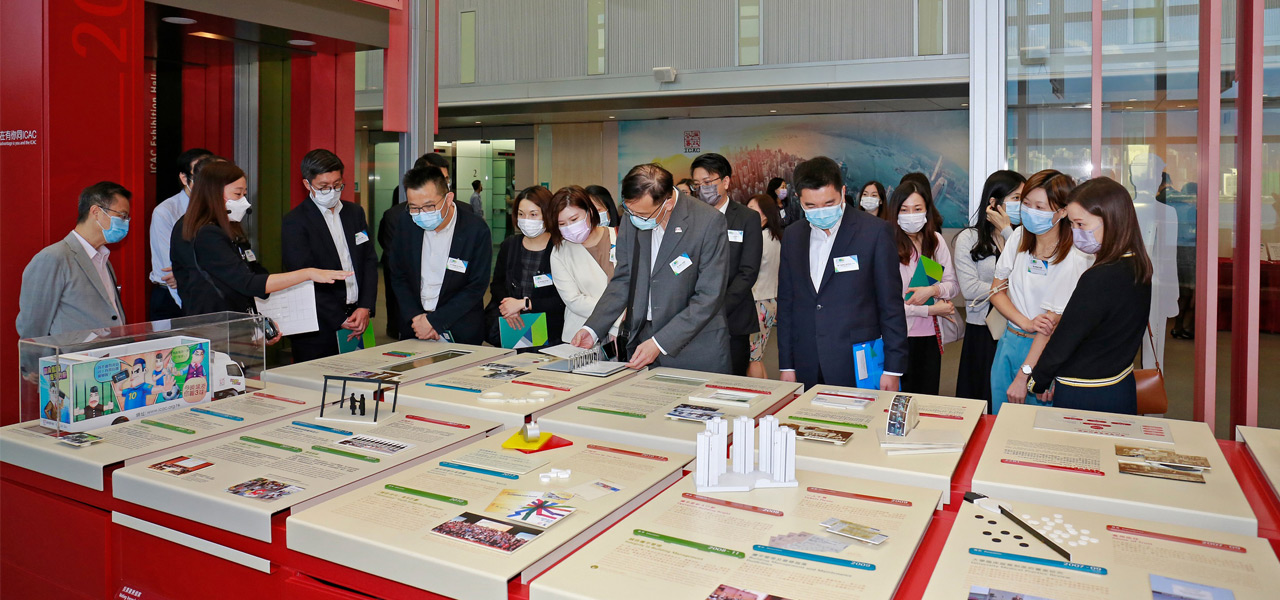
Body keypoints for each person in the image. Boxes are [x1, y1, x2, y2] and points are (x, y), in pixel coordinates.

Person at [570, 164, 731, 372]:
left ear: (668, 204)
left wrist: (659, 342)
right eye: (629, 211)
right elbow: (624, 279)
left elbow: (709, 296)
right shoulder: (634, 214)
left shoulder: (708, 222)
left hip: (695, 348)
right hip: (642, 343)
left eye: (643, 214)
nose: (634, 218)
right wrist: (592, 328)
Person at [170, 161, 351, 335]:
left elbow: (253, 271)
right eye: (237, 194)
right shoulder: (205, 233)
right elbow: (248, 283)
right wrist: (308, 273)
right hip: (213, 329)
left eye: (244, 194)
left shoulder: (227, 227)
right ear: (214, 193)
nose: (244, 202)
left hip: (235, 325)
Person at [776, 157, 908, 389]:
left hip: (858, 362)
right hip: (806, 360)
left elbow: (891, 305)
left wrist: (893, 368)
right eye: (811, 206)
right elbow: (787, 304)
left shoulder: (874, 232)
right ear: (800, 200)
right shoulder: (793, 236)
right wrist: (787, 365)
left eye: (829, 203)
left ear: (842, 192)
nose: (821, 212)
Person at [1028, 178, 1154, 414]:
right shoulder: (1138, 263)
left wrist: (1038, 379)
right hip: (1120, 382)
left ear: (1111, 220)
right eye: (1072, 225)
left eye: (1080, 224)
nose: (1075, 232)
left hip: (1086, 392)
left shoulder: (1099, 277)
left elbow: (1067, 339)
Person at [989, 170, 1093, 414]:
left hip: (1046, 352)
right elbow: (996, 290)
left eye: (1039, 206)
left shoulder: (1075, 255)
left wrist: (1029, 374)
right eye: (1026, 204)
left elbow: (1050, 323)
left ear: (1063, 211)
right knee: (1000, 420)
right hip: (1010, 340)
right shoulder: (1019, 237)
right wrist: (1025, 322)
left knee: (1038, 430)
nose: (1030, 211)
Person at [281, 149, 379, 362]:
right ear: (307, 184)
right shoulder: (295, 222)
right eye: (324, 187)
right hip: (318, 325)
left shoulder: (354, 213)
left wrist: (365, 306)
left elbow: (369, 261)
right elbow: (302, 277)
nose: (332, 191)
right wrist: (339, 318)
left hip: (358, 315)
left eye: (337, 185)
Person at [389, 166, 492, 344]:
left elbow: (476, 285)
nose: (422, 214)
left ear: (448, 198)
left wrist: (435, 322)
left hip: (459, 328)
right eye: (414, 207)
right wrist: (416, 318)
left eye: (429, 206)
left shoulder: (475, 229)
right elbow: (398, 275)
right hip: (415, 327)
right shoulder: (406, 223)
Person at [17, 182, 132, 338]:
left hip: (107, 359)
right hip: (71, 360)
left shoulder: (103, 258)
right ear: (96, 212)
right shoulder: (53, 258)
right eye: (122, 216)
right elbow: (32, 328)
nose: (126, 223)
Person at [953, 170, 1023, 404]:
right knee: (981, 398)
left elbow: (1028, 277)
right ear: (993, 203)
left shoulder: (1022, 237)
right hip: (982, 329)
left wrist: (1007, 232)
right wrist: (1009, 287)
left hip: (1017, 328)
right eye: (1016, 198)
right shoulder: (969, 239)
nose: (1021, 205)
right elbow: (970, 289)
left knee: (1011, 399)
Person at [691, 153, 762, 376]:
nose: (703, 189)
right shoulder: (689, 218)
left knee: (732, 382)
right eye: (697, 184)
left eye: (708, 182)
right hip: (692, 317)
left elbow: (748, 272)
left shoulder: (746, 217)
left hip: (732, 317)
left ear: (726, 181)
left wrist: (716, 307)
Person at [888, 179, 959, 395]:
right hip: (898, 338)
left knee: (928, 398)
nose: (911, 215)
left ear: (927, 210)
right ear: (895, 213)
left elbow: (952, 285)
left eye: (917, 209)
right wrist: (930, 309)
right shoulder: (887, 244)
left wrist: (933, 291)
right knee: (898, 400)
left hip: (931, 337)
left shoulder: (934, 241)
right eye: (904, 209)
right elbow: (890, 306)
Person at [380, 152, 451, 339]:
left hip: (453, 320)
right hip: (413, 317)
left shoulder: (466, 216)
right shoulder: (399, 217)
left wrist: (437, 320)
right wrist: (419, 317)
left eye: (444, 179)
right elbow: (397, 270)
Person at [484, 186, 565, 348]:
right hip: (512, 325)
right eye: (521, 214)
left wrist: (525, 304)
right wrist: (509, 306)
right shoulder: (510, 245)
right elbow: (497, 284)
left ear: (548, 214)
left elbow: (563, 299)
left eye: (533, 214)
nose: (526, 220)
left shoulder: (561, 248)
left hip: (550, 332)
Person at [550, 186, 622, 346]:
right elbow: (574, 299)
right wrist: (617, 316)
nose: (569, 227)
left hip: (626, 333)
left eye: (574, 219)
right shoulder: (560, 252)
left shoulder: (619, 236)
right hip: (582, 335)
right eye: (562, 223)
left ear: (589, 212)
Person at [149, 148, 213, 320]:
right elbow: (169, 268)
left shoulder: (218, 208)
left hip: (202, 295)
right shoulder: (166, 211)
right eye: (199, 174)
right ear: (184, 178)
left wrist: (186, 273)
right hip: (170, 299)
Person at [745, 193, 783, 379]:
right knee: (758, 355)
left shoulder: (759, 238)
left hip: (756, 301)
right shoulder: (774, 237)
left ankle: (757, 396)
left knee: (752, 357)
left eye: (752, 210)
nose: (747, 213)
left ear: (765, 215)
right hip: (769, 300)